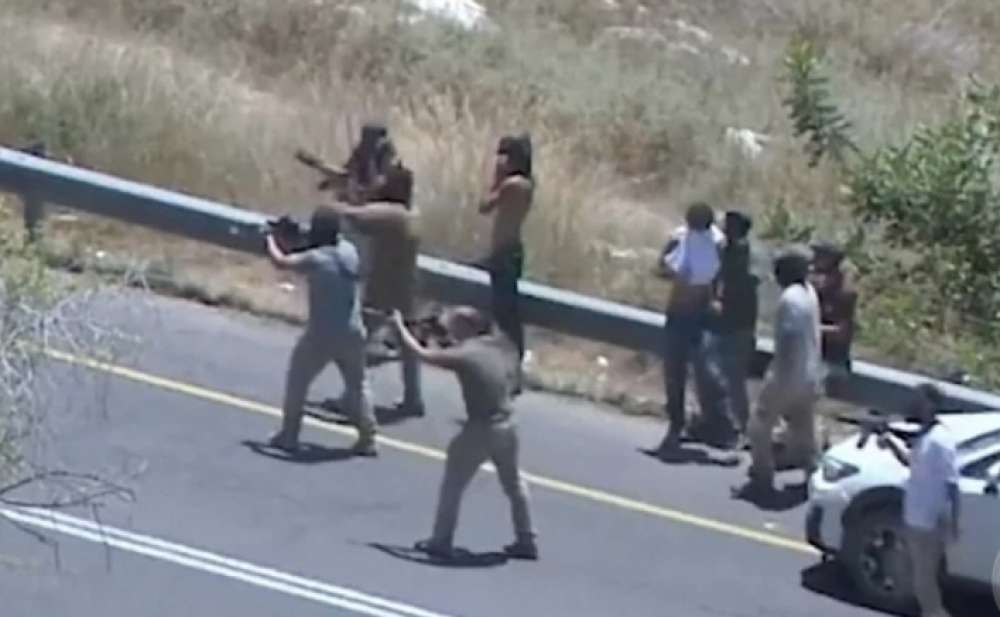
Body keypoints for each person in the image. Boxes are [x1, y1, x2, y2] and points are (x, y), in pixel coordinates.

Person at [391, 306, 538, 561]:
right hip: (508, 423)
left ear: (469, 327)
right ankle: (527, 538)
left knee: (453, 484)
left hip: (481, 428)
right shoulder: (502, 347)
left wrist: (399, 327)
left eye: (455, 324)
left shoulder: (466, 354)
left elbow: (421, 354)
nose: (450, 328)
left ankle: (441, 540)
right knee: (514, 483)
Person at [265, 207, 378, 457]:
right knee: (358, 384)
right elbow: (315, 250)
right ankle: (368, 438)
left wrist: (270, 239)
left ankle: (289, 435)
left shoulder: (316, 259)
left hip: (322, 334)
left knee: (298, 381)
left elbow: (281, 261)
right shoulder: (349, 251)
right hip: (353, 330)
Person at [321, 160, 425, 417]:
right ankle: (413, 399)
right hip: (406, 286)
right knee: (408, 345)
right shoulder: (412, 213)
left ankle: (352, 398)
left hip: (383, 289)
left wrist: (340, 196)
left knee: (356, 344)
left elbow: (352, 216)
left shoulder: (392, 214)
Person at [737, 246, 822, 496]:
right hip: (810, 373)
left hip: (787, 374)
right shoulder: (809, 293)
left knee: (759, 424)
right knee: (804, 429)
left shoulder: (789, 299)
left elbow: (789, 340)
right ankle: (814, 474)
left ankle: (762, 474)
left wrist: (775, 372)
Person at [878, 383, 960, 617]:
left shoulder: (940, 441)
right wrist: (891, 443)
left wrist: (952, 522)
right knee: (917, 579)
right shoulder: (925, 435)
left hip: (929, 523)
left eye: (919, 399)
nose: (914, 403)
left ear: (930, 404)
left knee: (924, 582)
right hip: (915, 518)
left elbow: (952, 483)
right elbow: (912, 463)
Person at [649, 202, 724, 455]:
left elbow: (722, 277)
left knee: (707, 374)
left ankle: (713, 423)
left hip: (704, 316)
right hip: (678, 312)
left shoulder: (718, 243)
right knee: (674, 372)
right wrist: (676, 271)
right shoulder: (679, 238)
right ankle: (676, 423)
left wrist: (716, 298)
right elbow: (659, 267)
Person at [691, 210, 759, 449]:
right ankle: (713, 422)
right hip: (721, 323)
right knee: (710, 375)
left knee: (734, 379)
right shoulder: (725, 250)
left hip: (737, 324)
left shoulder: (742, 254)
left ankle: (741, 429)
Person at [478, 134, 535, 394]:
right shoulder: (526, 184)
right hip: (507, 253)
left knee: (506, 317)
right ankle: (507, 368)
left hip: (505, 255)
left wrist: (496, 179)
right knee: (504, 314)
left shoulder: (512, 184)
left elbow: (484, 206)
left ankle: (513, 371)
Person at [808, 241, 858, 399]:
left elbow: (841, 332)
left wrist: (810, 327)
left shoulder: (843, 293)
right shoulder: (816, 288)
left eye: (819, 256)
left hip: (832, 363)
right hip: (813, 358)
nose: (813, 260)